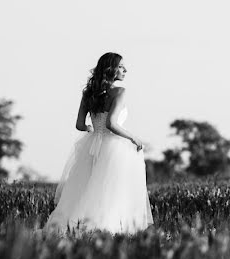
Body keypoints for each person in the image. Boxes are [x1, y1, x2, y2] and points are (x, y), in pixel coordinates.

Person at [46, 52, 153, 234]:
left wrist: (93, 132)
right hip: (114, 148)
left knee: (86, 189)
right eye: (120, 66)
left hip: (92, 146)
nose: (125, 70)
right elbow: (112, 124)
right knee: (111, 192)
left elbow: (80, 125)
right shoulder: (119, 92)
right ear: (111, 69)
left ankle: (76, 226)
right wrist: (134, 138)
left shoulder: (89, 93)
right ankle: (109, 229)